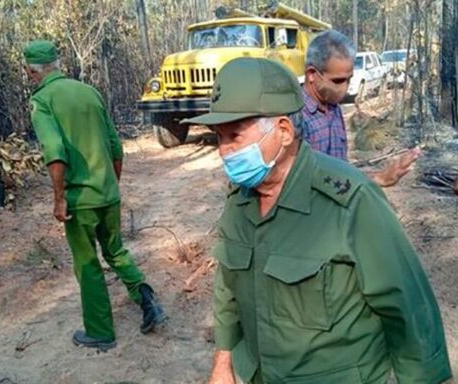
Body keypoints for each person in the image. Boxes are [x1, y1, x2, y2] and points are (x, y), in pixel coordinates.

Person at [182, 57, 452, 384]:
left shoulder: (351, 202)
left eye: (235, 136)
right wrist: (223, 362)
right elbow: (228, 287)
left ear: (283, 131)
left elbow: (409, 310)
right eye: (219, 137)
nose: (224, 151)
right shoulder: (239, 201)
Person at [24, 40, 166, 350]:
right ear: (58, 64)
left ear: (31, 71)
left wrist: (60, 198)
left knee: (87, 265)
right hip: (107, 193)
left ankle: (100, 332)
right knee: (116, 251)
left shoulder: (43, 101)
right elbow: (115, 145)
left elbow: (55, 151)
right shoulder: (89, 92)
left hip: (80, 201)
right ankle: (146, 297)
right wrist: (111, 184)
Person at [303, 30, 421, 187]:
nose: (345, 87)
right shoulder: (295, 117)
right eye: (338, 81)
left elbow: (340, 172)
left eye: (349, 79)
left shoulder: (333, 108)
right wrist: (377, 179)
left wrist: (380, 177)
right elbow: (305, 183)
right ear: (312, 74)